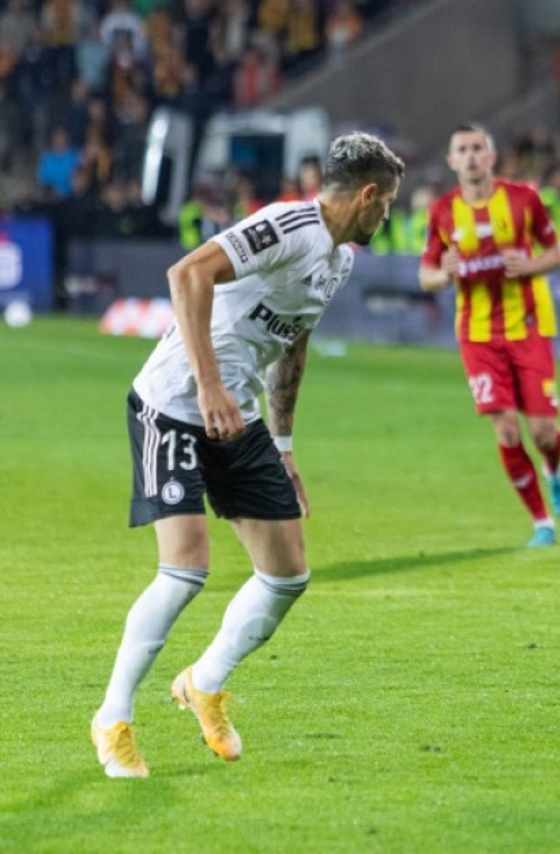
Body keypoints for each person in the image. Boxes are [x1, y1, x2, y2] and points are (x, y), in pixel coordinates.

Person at [90, 131, 405, 778]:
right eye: (389, 203)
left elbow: (292, 344)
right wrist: (208, 385)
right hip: (173, 404)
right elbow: (188, 273)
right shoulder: (289, 226)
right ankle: (113, 719)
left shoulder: (339, 260)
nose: (389, 215)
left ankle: (203, 682)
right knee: (185, 571)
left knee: (287, 574)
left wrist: (283, 445)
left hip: (238, 417)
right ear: (368, 195)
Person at [419, 124, 560, 548]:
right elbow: (426, 275)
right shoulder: (442, 212)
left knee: (543, 433)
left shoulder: (524, 199)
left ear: (491, 157)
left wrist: (531, 266)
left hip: (528, 327)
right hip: (478, 335)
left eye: (477, 148)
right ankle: (541, 522)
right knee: (506, 429)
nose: (470, 156)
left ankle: (554, 470)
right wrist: (443, 275)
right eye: (462, 150)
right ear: (452, 161)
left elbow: (557, 253)